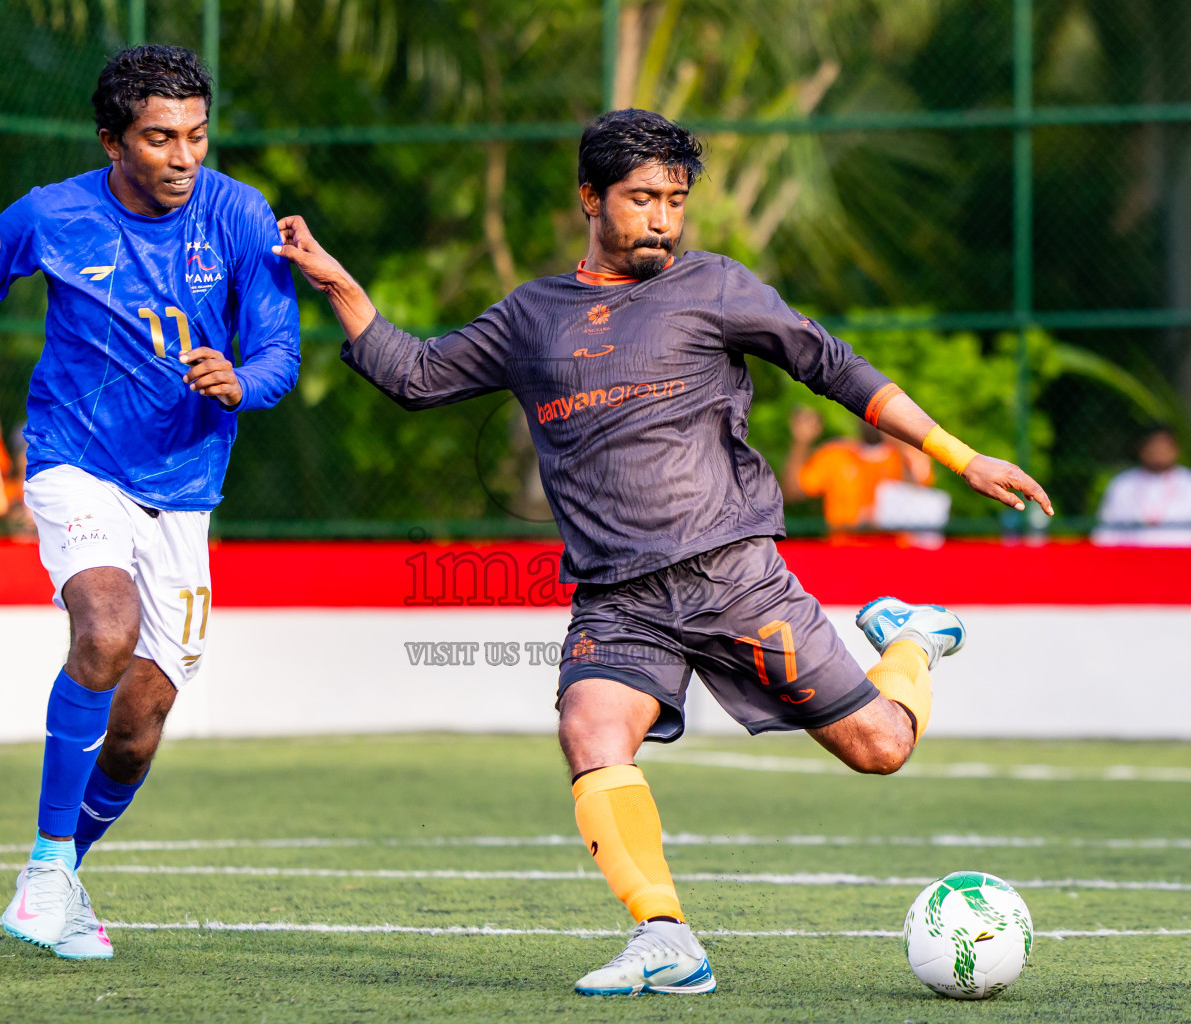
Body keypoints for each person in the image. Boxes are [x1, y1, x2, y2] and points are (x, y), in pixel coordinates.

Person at [272, 108, 1052, 996]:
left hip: (732, 578)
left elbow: (832, 365)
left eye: (675, 200)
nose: (663, 219)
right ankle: (665, 937)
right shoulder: (533, 317)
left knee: (881, 747)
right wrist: (336, 284)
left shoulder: (715, 286)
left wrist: (959, 455)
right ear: (590, 199)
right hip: (617, 599)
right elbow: (414, 377)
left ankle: (910, 637)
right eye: (642, 198)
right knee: (590, 731)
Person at [0, 45, 300, 960]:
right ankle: (48, 880)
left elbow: (279, 357)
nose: (183, 155)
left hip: (184, 492)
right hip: (75, 461)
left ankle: (50, 874)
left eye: (196, 134)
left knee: (138, 730)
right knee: (105, 628)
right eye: (158, 138)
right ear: (112, 142)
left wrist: (241, 382)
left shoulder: (239, 214)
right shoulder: (51, 215)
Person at [782, 407, 935, 534]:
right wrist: (801, 443)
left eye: (879, 411)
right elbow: (793, 492)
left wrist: (898, 440)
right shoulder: (836, 454)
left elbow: (919, 497)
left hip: (894, 554)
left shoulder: (907, 455)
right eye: (866, 407)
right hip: (845, 555)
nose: (871, 417)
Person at [1092, 425, 1191, 547]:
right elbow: (1105, 534)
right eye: (1153, 446)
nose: (1158, 452)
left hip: (1186, 563)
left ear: (1176, 450)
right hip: (1133, 563)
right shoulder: (1122, 485)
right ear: (1141, 450)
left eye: (1164, 446)